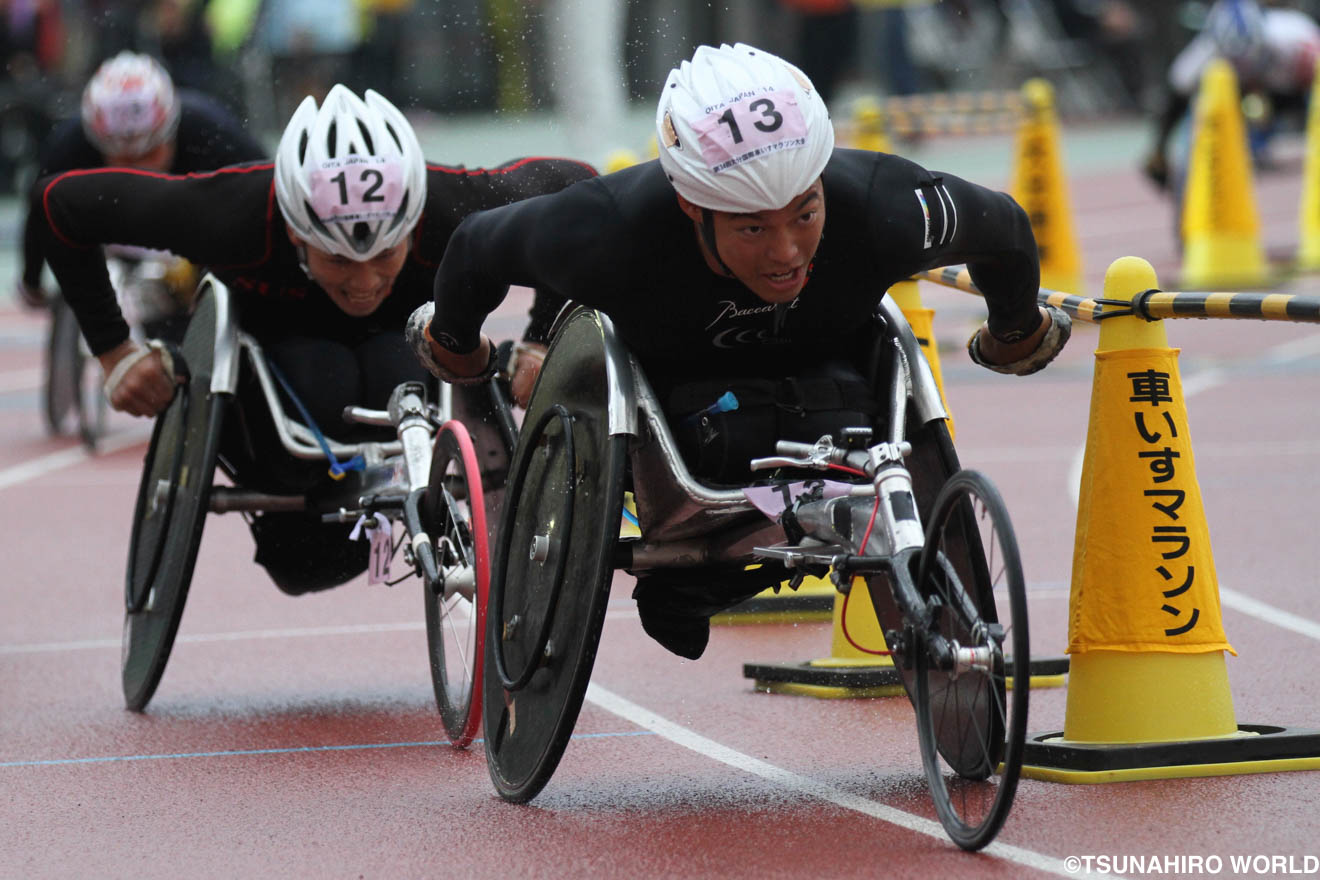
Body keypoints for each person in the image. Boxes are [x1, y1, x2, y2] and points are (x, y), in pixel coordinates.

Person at [410, 43, 1070, 660]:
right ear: (694, 206)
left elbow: (1005, 228)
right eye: (754, 227)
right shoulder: (608, 229)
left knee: (843, 410)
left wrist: (1014, 329)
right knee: (718, 442)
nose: (785, 251)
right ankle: (695, 580)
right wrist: (458, 349)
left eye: (804, 215)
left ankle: (711, 578)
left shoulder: (882, 204)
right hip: (679, 419)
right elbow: (476, 246)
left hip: (834, 385)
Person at [30, 84, 596, 594]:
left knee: (389, 375)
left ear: (411, 221)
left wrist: (540, 340)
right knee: (319, 418)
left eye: (384, 254)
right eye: (338, 260)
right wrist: (114, 351)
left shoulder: (449, 205)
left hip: (405, 344)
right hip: (279, 361)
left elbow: (578, 193)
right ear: (298, 232)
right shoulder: (235, 212)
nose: (364, 282)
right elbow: (60, 206)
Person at [16, 51, 266, 310]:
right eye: (122, 157)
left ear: (170, 129)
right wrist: (31, 279)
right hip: (110, 243)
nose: (138, 170)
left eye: (150, 153)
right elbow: (40, 212)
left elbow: (264, 194)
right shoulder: (70, 144)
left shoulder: (211, 129)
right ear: (96, 141)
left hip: (198, 237)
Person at [1142, 0, 1320, 189]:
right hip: (1237, 88)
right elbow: (1176, 95)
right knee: (1189, 98)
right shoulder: (1205, 54)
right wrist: (1159, 151)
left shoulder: (1296, 37)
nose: (1246, 63)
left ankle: (1257, 141)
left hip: (1286, 84)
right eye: (1238, 60)